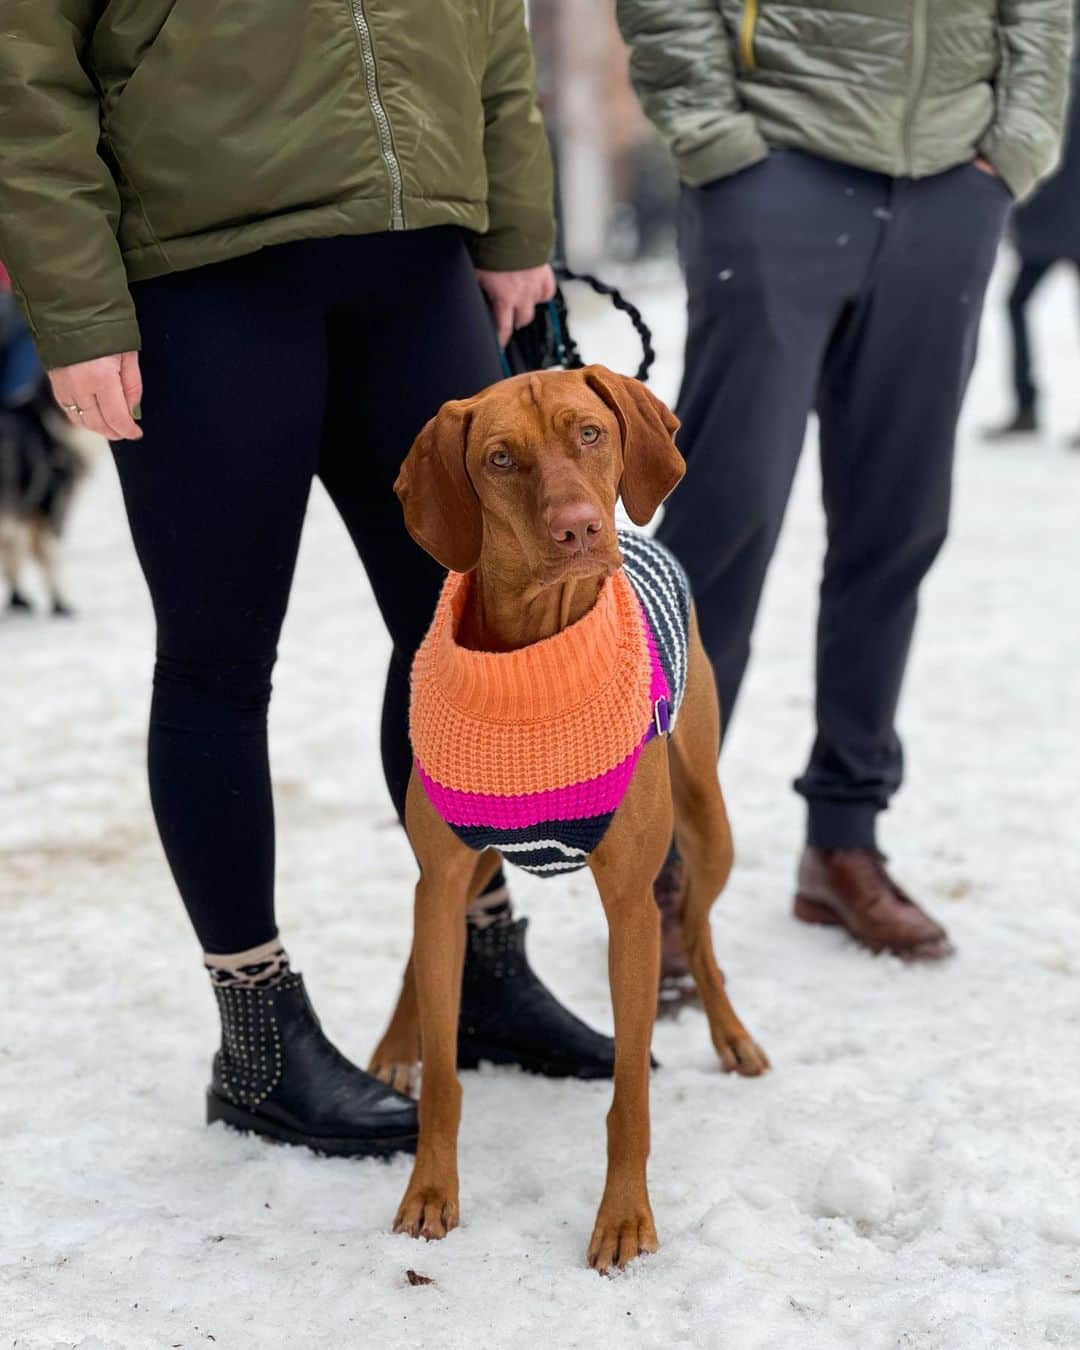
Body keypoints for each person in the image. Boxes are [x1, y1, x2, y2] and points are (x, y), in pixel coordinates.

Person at [0, 2, 616, 1158]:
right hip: (205, 274)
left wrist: (516, 220)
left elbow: (489, 22)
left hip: (418, 259)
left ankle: (478, 964)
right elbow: (27, 74)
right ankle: (257, 1041)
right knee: (218, 663)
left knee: (455, 629)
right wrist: (75, 312)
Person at [617, 0, 1071, 973]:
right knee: (722, 531)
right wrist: (713, 133)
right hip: (777, 163)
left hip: (952, 181)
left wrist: (1017, 145)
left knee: (897, 528)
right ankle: (659, 858)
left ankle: (844, 837)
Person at [985, 5, 1080, 445]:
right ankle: (1025, 406)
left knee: (1017, 304)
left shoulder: (1050, 85)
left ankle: (1026, 406)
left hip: (1047, 221)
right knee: (1017, 304)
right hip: (1051, 222)